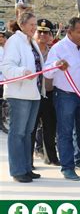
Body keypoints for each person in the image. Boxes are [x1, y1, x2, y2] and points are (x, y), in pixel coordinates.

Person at [1, 12, 60, 182]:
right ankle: (17, 170)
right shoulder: (14, 42)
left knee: (27, 133)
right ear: (22, 24)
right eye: (32, 25)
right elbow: (6, 66)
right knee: (17, 133)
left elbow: (40, 66)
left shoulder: (31, 42)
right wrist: (22, 72)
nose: (35, 28)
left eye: (35, 24)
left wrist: (55, 65)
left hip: (34, 93)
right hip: (19, 94)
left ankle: (27, 167)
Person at [44, 17, 80, 181]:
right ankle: (67, 167)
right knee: (65, 131)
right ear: (70, 32)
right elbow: (46, 71)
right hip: (65, 95)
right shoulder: (59, 48)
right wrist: (57, 64)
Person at [32, 19, 59, 166]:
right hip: (33, 94)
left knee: (50, 127)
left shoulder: (54, 52)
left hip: (49, 93)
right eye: (39, 31)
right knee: (31, 128)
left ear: (50, 35)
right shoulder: (30, 50)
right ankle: (28, 160)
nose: (42, 35)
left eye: (46, 32)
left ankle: (51, 157)